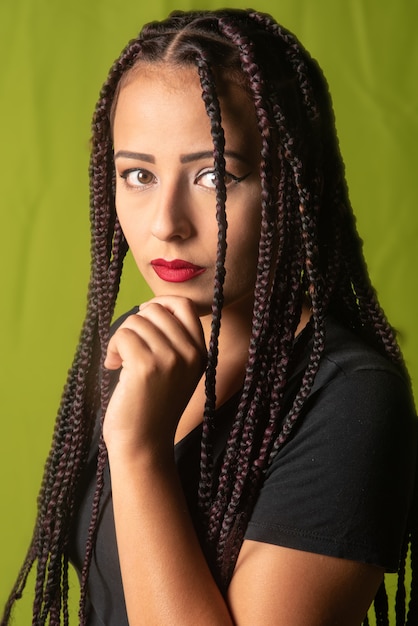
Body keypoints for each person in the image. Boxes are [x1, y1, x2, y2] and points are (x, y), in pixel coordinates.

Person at [2, 8, 417, 626]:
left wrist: (139, 450)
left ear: (292, 185)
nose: (167, 222)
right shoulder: (138, 344)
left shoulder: (351, 399)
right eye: (137, 175)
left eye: (214, 175)